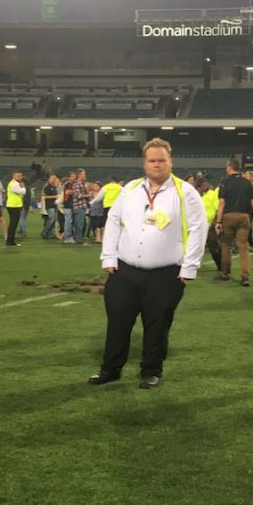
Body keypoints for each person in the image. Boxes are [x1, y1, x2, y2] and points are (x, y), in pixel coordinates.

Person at [89, 138, 207, 389]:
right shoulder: (130, 189)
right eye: (152, 160)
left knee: (157, 326)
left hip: (166, 274)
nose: (156, 165)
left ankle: (151, 370)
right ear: (145, 163)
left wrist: (190, 267)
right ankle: (110, 368)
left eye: (161, 160)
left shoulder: (185, 192)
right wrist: (108, 256)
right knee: (118, 323)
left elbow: (198, 229)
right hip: (125, 271)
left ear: (170, 161)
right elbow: (113, 220)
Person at [215, 158, 253, 287]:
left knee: (226, 245)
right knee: (243, 247)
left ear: (230, 167)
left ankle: (225, 273)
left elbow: (222, 203)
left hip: (228, 216)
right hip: (244, 216)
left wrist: (218, 220)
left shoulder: (224, 183)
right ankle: (245, 276)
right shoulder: (247, 183)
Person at [4, 170, 25, 246]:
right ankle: (10, 240)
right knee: (13, 224)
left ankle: (10, 239)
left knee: (13, 224)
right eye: (17, 176)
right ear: (13, 176)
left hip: (13, 205)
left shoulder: (13, 183)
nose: (19, 177)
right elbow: (23, 192)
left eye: (20, 176)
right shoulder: (15, 184)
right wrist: (23, 187)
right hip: (14, 206)